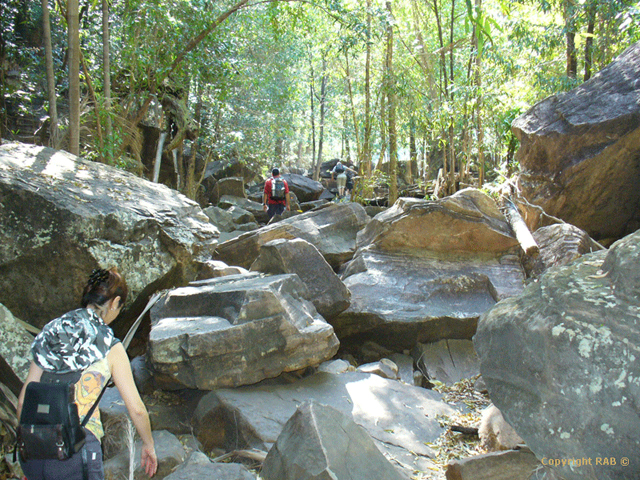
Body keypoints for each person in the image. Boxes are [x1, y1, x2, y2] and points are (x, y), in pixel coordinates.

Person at [17, 267, 157, 480]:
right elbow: (136, 409)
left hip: (35, 453)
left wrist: (33, 442)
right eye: (120, 307)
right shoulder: (110, 345)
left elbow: (23, 402)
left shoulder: (51, 331)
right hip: (77, 451)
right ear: (114, 302)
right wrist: (148, 444)